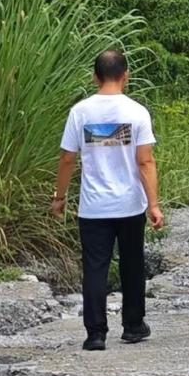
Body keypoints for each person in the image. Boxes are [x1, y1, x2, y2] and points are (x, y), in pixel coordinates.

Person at [51, 49, 164, 352]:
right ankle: (133, 325)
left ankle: (95, 333)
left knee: (95, 267)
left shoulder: (80, 112)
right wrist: (153, 204)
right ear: (126, 75)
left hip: (93, 206)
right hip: (130, 204)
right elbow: (145, 161)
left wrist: (59, 197)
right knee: (132, 263)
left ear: (95, 77)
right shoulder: (137, 112)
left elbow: (66, 159)